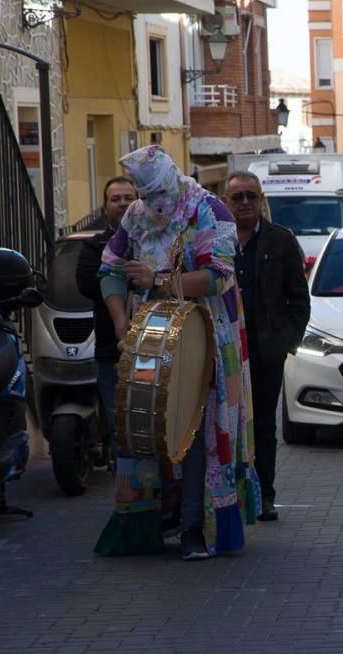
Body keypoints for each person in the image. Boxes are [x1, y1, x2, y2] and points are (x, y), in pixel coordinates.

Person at [93, 145, 260, 561]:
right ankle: (152, 518)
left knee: (196, 428)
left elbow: (219, 276)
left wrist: (159, 279)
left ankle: (196, 527)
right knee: (145, 426)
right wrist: (118, 320)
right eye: (145, 197)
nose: (154, 206)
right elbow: (110, 266)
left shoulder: (210, 210)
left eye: (157, 196)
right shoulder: (135, 216)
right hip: (146, 337)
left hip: (205, 337)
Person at [226, 171, 310, 522]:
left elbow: (299, 301)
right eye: (237, 197)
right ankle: (229, 496)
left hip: (264, 352)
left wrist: (283, 344)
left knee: (262, 425)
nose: (244, 202)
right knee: (226, 424)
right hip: (225, 351)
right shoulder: (213, 241)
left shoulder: (280, 241)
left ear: (261, 199)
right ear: (226, 201)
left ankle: (265, 496)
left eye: (250, 196)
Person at [75, 176, 138, 469]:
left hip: (157, 346)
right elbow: (88, 283)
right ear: (105, 207)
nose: (123, 203)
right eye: (116, 199)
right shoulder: (94, 246)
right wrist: (128, 274)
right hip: (111, 349)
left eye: (129, 198)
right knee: (119, 421)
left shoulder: (152, 241)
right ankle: (126, 490)